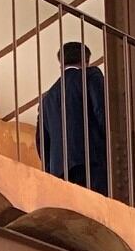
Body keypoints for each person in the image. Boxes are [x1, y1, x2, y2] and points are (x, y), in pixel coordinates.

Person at [36, 41, 108, 195]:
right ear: (86, 61)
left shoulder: (47, 98)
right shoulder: (90, 75)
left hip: (60, 172)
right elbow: (101, 112)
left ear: (61, 63)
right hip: (91, 161)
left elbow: (42, 142)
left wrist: (52, 169)